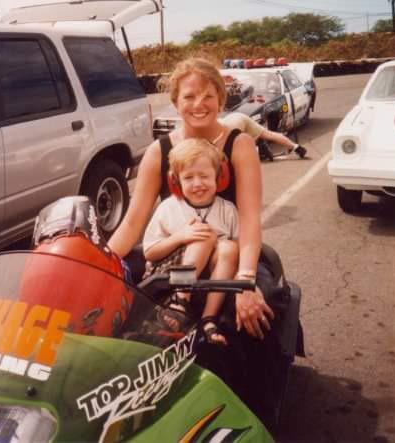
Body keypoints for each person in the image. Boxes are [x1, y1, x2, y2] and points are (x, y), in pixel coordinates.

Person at [109, 57, 274, 339]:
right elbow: (132, 223)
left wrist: (246, 280)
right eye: (189, 96)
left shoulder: (240, 145)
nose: (199, 104)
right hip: (176, 256)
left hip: (228, 257)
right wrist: (97, 264)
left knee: (247, 316)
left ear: (221, 99)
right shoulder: (159, 151)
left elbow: (248, 221)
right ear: (175, 102)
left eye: (208, 95)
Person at [142, 138, 239, 345]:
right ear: (175, 182)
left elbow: (238, 253)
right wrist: (180, 237)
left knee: (230, 247)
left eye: (204, 176)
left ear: (219, 177)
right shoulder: (168, 208)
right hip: (168, 278)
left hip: (209, 281)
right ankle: (179, 302)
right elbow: (149, 252)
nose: (197, 183)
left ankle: (208, 319)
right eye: (188, 178)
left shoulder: (228, 210)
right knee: (204, 234)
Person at [219, 111, 307, 160]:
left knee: (235, 153)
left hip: (235, 122)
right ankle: (296, 147)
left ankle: (259, 148)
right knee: (268, 134)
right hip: (236, 117)